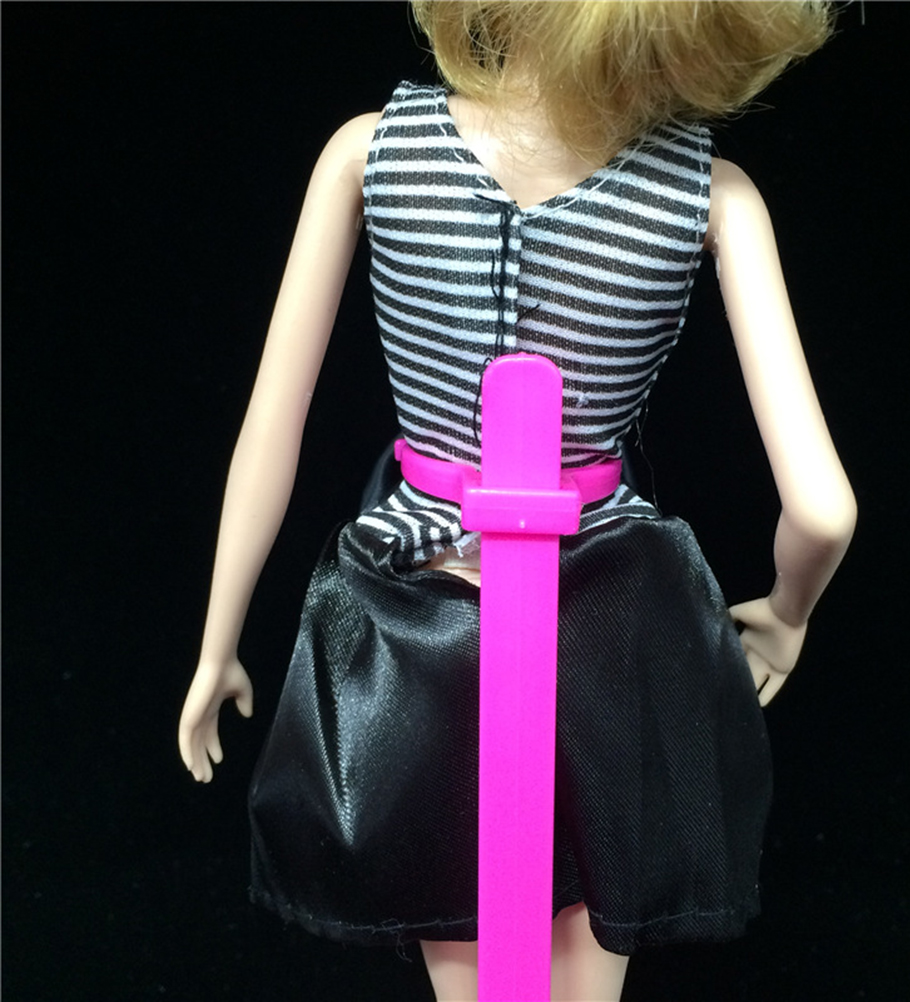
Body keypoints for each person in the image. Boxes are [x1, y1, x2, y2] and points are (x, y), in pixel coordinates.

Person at [179, 3, 855, 999]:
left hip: (425, 620)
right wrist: (788, 615)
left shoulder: (370, 152)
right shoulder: (713, 196)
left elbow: (269, 431)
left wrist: (218, 642)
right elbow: (824, 511)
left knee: (469, 962)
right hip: (607, 626)